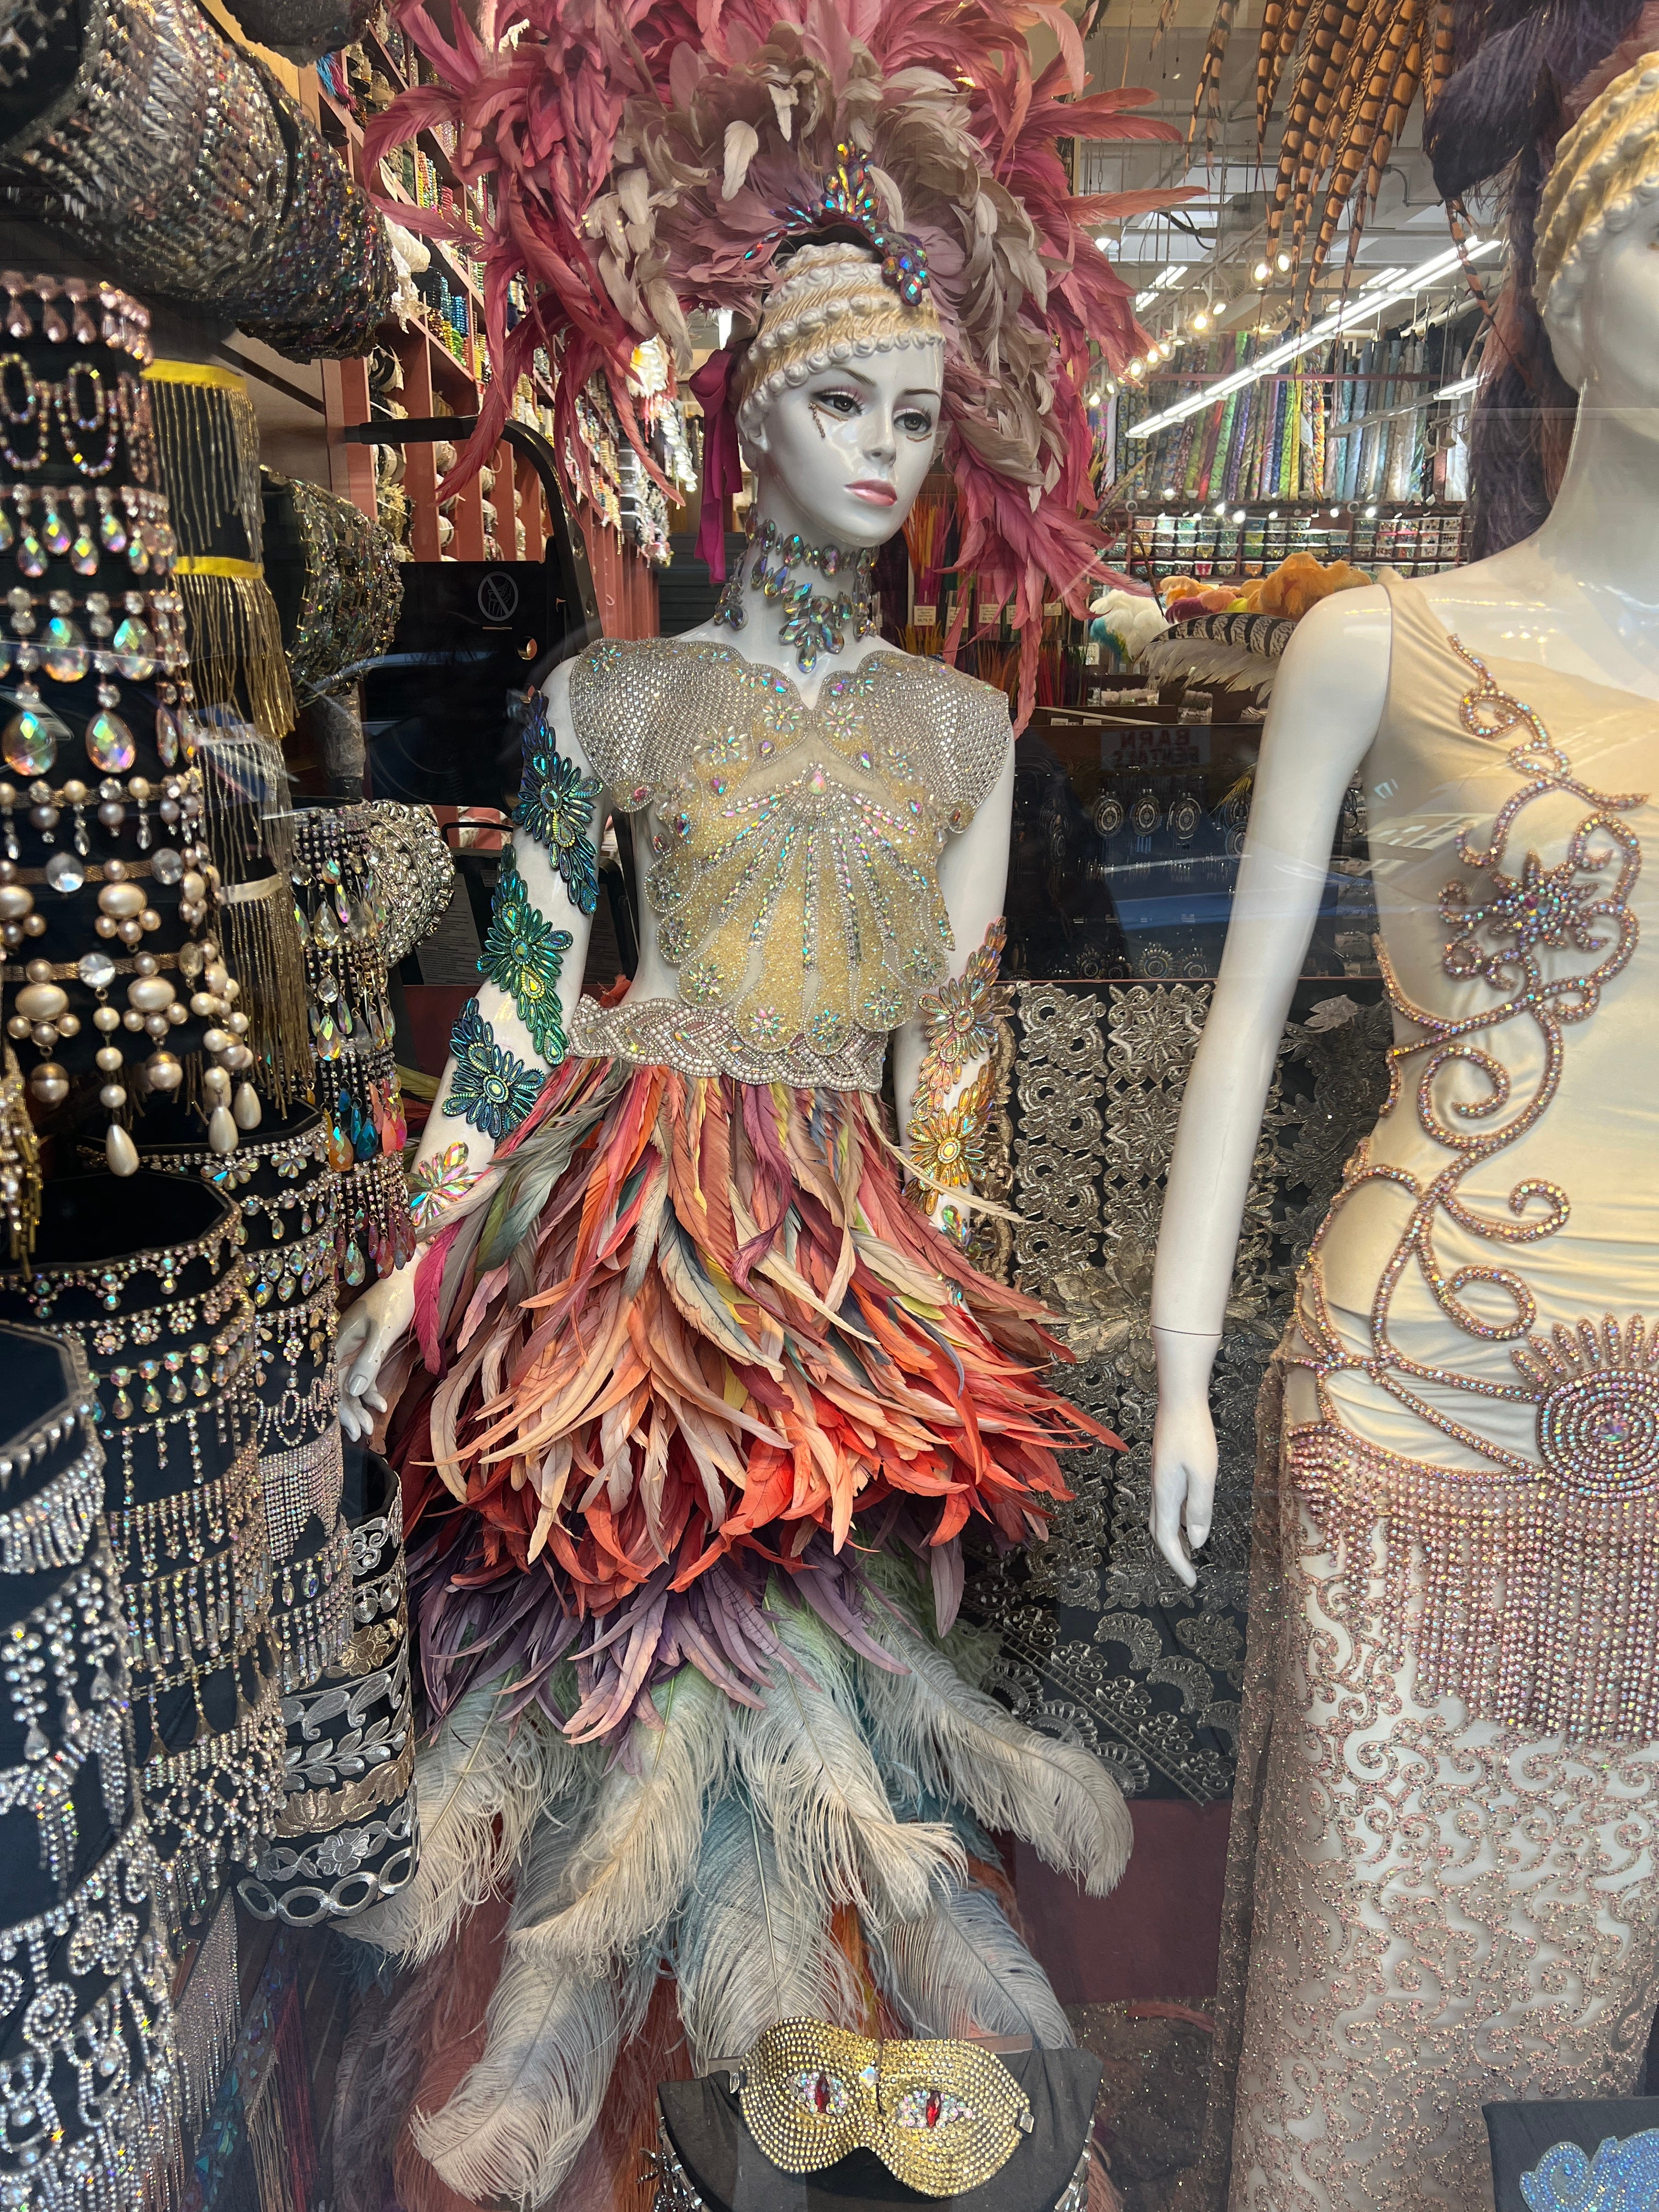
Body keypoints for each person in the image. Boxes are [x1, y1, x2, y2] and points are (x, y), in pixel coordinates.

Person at [328, 7, 1189, 2203]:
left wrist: (959, 1356)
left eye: (913, 413)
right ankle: (621, 2092)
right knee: (624, 1660)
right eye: (835, 403)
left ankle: (807, 2086)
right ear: (745, 417)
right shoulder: (612, 703)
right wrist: (425, 1258)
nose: (882, 453)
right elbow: (522, 997)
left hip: (842, 1261)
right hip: (629, 1233)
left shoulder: (960, 738)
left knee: (829, 1665)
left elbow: (947, 1076)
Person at [1149, 43, 1659, 2212]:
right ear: (1563, 281)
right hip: (1420, 1383)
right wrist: (1181, 1362)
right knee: (1372, 1974)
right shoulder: (1379, 644)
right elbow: (1242, 1025)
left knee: (1597, 1999)